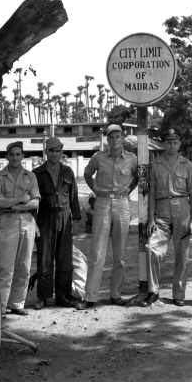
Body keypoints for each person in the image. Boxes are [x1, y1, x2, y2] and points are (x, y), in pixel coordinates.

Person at [80, 124, 139, 310]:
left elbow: (138, 177)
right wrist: (95, 190)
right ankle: (90, 297)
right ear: (107, 139)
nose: (115, 140)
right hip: (102, 203)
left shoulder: (132, 158)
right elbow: (87, 174)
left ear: (123, 138)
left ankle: (115, 294)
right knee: (97, 252)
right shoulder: (99, 158)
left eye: (118, 136)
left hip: (122, 204)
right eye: (111, 137)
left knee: (120, 254)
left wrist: (128, 191)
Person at [141, 128, 192, 307]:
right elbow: (150, 192)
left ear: (179, 144)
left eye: (175, 142)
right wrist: (150, 219)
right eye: (168, 142)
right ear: (163, 144)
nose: (172, 146)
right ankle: (153, 291)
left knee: (182, 255)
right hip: (161, 210)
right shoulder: (155, 165)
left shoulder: (187, 165)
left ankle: (179, 294)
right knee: (152, 248)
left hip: (182, 209)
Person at [31, 137, 83, 309]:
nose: (54, 154)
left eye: (57, 151)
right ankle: (43, 297)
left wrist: (76, 220)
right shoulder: (37, 173)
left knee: (65, 259)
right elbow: (33, 201)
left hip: (65, 216)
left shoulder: (68, 172)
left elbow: (74, 197)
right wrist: (34, 223)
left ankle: (63, 295)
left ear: (62, 152)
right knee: (45, 258)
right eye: (51, 150)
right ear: (46, 152)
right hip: (45, 217)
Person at [0, 141, 40, 316]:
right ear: (7, 156)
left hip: (27, 222)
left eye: (18, 154)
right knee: (4, 267)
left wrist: (12, 204)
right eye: (12, 154)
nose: (15, 157)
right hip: (7, 222)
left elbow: (35, 201)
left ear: (22, 156)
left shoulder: (30, 176)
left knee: (24, 266)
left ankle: (17, 303)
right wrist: (20, 199)